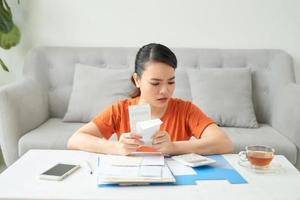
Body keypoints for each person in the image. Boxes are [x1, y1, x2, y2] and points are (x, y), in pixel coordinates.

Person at [67, 43, 233, 156]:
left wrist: (174, 147)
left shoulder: (185, 110)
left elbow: (224, 143)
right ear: (137, 80)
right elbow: (75, 140)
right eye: (155, 83)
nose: (165, 90)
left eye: (171, 82)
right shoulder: (120, 110)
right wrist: (117, 147)